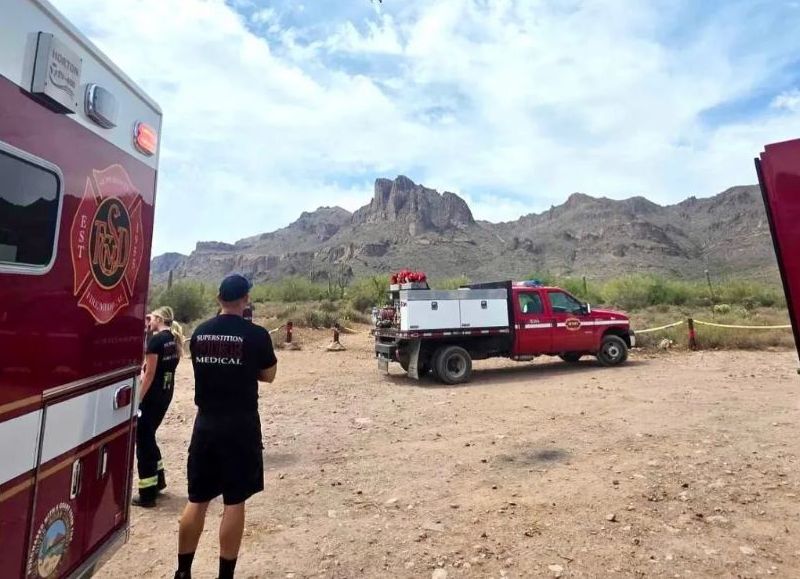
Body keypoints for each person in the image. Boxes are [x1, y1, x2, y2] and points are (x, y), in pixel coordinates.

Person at [175, 274, 278, 579]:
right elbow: (269, 375)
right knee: (234, 501)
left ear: (218, 298)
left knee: (197, 500)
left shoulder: (200, 333)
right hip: (241, 426)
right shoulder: (256, 335)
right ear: (246, 299)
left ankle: (183, 571)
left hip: (206, 424)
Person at [134, 306, 184, 507]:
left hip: (152, 397)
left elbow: (149, 374)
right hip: (165, 393)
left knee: (143, 441)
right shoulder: (172, 339)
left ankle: (147, 494)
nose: (149, 321)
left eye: (152, 318)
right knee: (149, 436)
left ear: (159, 319)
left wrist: (138, 399)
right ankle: (159, 480)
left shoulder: (156, 341)